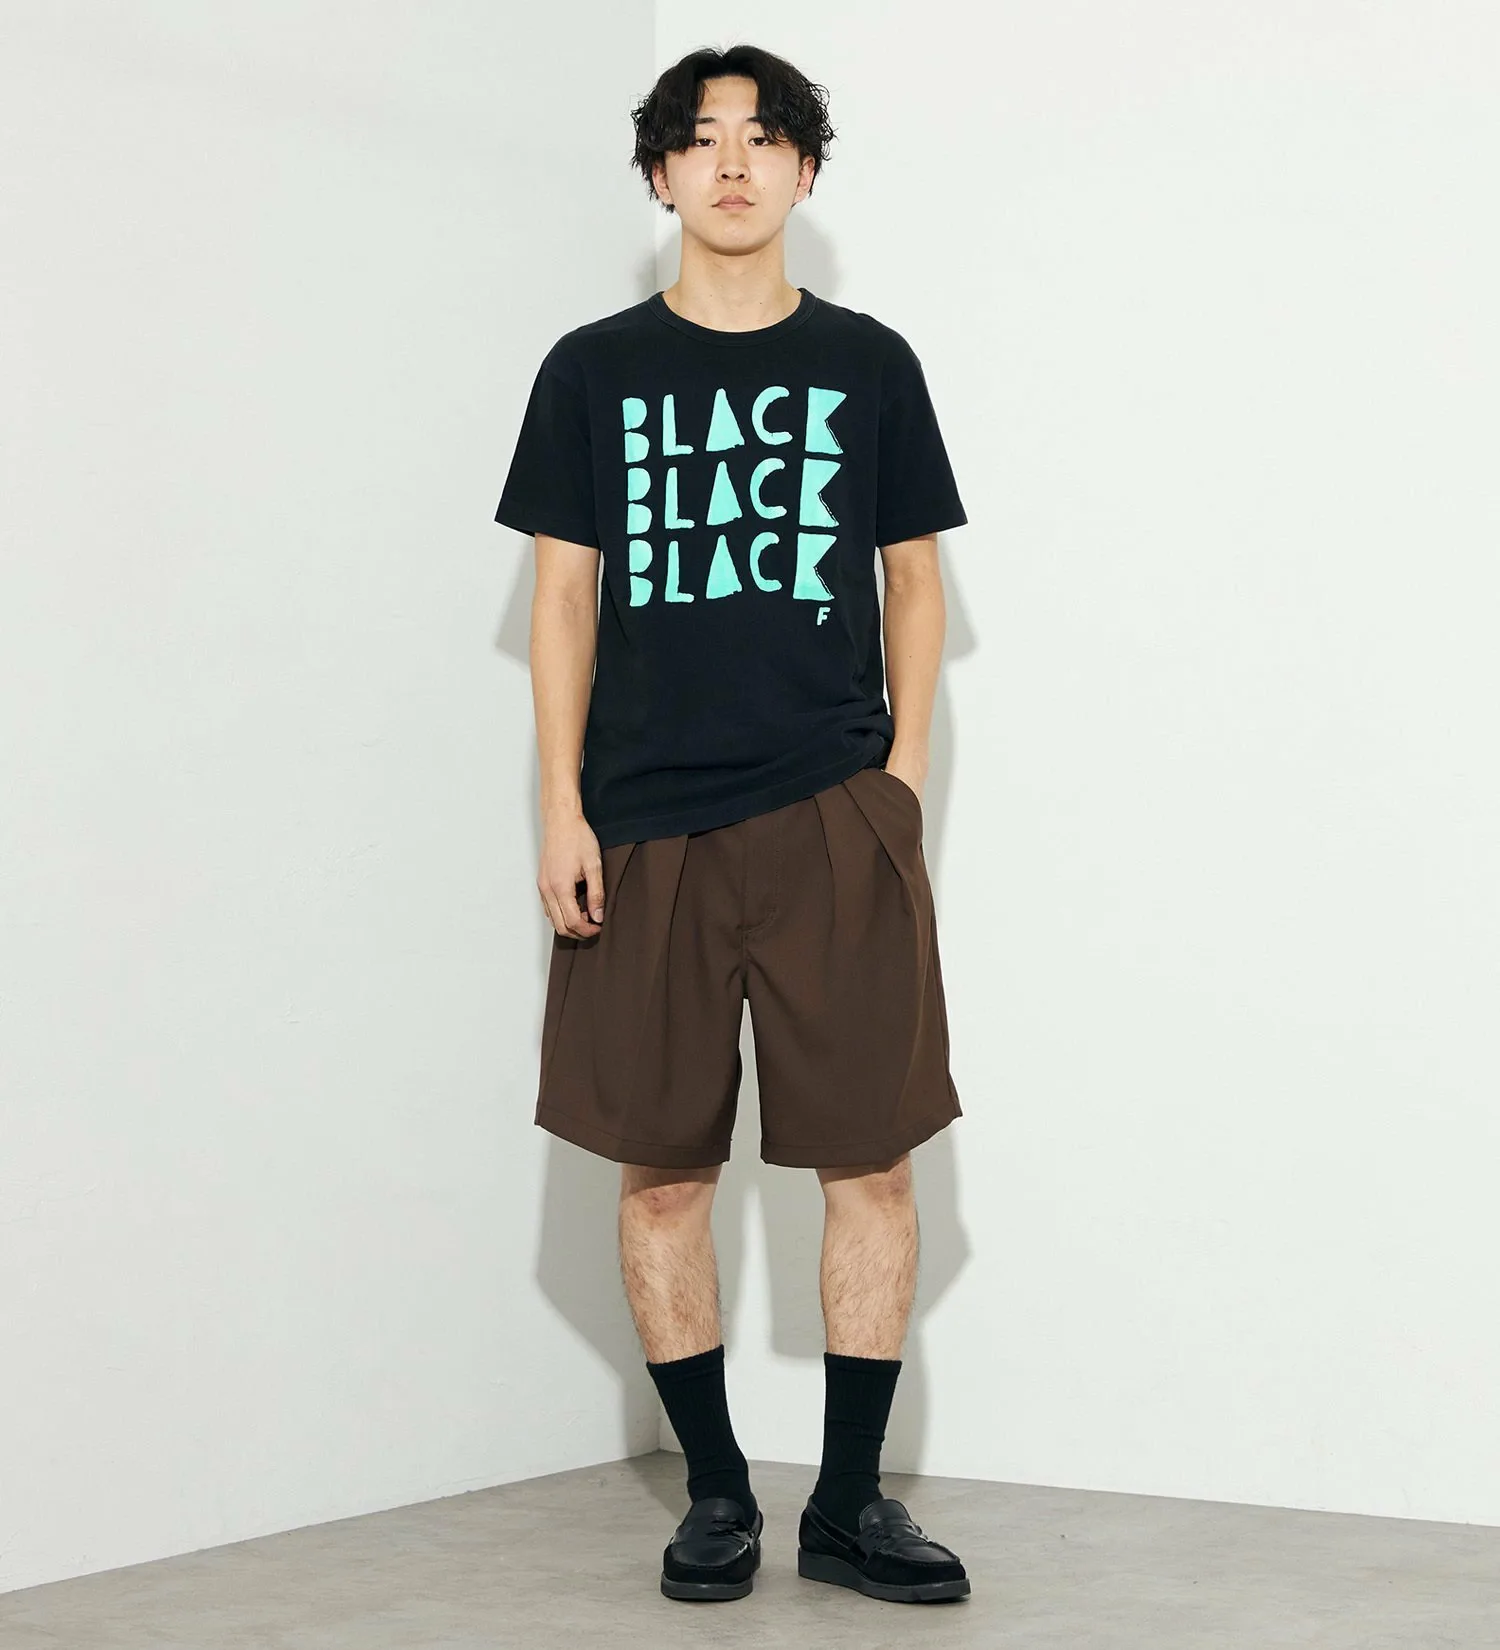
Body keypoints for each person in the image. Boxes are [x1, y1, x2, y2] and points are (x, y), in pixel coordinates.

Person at [493, 42, 971, 1606]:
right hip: (645, 829)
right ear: (660, 174)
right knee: (661, 1172)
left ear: (806, 171)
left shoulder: (869, 364)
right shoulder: (591, 371)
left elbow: (916, 582)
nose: (734, 165)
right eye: (701, 140)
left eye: (765, 139)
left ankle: (849, 1502)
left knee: (871, 1167)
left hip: (834, 813)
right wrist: (561, 803)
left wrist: (898, 782)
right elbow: (564, 600)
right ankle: (713, 1492)